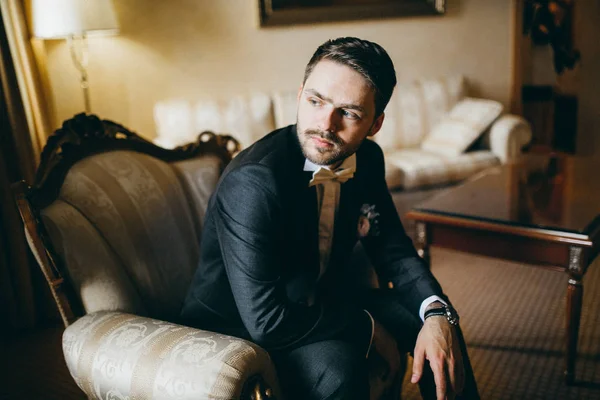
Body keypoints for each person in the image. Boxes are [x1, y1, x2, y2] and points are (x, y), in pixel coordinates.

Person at [181, 37, 479, 400]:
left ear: (375, 123)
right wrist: (368, 327)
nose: (326, 124)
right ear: (300, 94)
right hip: (239, 325)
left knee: (437, 319)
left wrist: (436, 313)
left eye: (350, 113)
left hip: (320, 299)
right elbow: (266, 322)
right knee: (339, 367)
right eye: (316, 101)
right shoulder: (254, 181)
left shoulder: (367, 160)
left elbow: (394, 252)